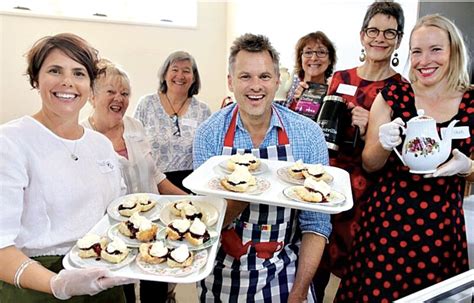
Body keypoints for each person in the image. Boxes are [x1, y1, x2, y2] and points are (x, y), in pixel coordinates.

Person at [337, 14, 473, 302]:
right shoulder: (392, 95)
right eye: (417, 51)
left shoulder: (471, 103)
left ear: (454, 51)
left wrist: (467, 167)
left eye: (436, 49)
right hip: (386, 223)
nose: (425, 60)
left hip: (441, 229)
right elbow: (370, 163)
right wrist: (384, 143)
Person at [193, 33, 331, 302]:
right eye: (245, 77)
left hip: (286, 268)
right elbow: (206, 221)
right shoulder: (209, 134)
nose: (256, 86)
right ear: (230, 82)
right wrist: (249, 189)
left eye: (264, 77)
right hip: (223, 271)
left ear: (277, 80)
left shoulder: (308, 134)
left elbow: (316, 224)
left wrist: (299, 292)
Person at [0, 33, 135, 301]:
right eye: (54, 70)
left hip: (103, 278)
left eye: (78, 73)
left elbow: (115, 214)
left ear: (89, 85)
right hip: (37, 283)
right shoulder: (11, 142)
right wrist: (59, 285)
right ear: (35, 78)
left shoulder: (99, 144)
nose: (67, 82)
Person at [312, 2, 405, 301]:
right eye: (373, 30)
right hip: (330, 183)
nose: (380, 38)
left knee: (357, 271)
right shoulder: (341, 77)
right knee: (315, 260)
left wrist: (371, 129)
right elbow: (323, 127)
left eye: (389, 32)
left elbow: (396, 150)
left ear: (399, 39)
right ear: (363, 35)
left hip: (369, 191)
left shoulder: (401, 88)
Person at [82, 59, 187, 303]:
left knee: (156, 287)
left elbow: (155, 175)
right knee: (123, 292)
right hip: (114, 234)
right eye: (110, 91)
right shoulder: (83, 138)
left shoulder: (135, 127)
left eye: (125, 93)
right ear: (92, 96)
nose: (119, 98)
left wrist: (192, 202)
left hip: (153, 227)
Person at [134, 51, 212, 193]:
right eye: (174, 70)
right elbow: (134, 145)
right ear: (164, 74)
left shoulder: (203, 110)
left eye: (186, 71)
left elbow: (209, 153)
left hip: (192, 185)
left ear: (194, 78)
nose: (180, 76)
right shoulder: (146, 104)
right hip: (154, 183)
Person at [283, 31, 337, 117]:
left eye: (321, 52)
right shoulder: (287, 87)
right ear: (300, 58)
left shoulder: (333, 93)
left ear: (330, 59)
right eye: (308, 53)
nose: (314, 58)